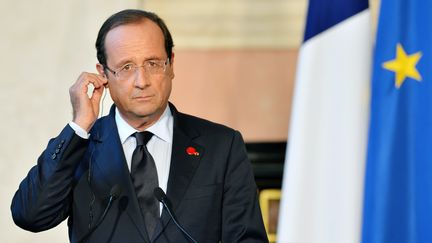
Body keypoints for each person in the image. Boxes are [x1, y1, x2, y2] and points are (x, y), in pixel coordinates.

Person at [11, 9, 268, 243]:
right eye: (126, 67)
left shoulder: (221, 145)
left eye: (153, 64)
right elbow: (30, 216)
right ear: (103, 75)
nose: (141, 81)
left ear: (171, 65)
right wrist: (80, 126)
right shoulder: (81, 147)